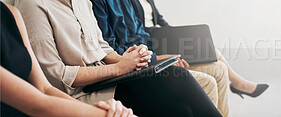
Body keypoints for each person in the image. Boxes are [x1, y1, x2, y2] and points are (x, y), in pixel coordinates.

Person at [14, 0, 222, 116]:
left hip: (110, 80)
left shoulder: (81, 1)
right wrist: (119, 68)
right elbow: (55, 76)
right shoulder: (33, 5)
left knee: (181, 111)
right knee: (175, 76)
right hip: (82, 93)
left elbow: (101, 47)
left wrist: (126, 59)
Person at [90, 0, 230, 116]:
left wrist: (169, 40)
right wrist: (158, 57)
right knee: (207, 82)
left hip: (150, 53)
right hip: (137, 65)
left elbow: (142, 33)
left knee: (219, 69)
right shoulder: (97, 3)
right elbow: (111, 49)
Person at [0, 2, 135, 117]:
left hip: (73, 99)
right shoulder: (31, 5)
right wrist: (101, 113)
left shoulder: (13, 14)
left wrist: (103, 110)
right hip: (72, 95)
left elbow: (44, 89)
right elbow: (39, 104)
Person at [132, 0, 269, 99]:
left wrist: (175, 33)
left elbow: (160, 20)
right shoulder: (126, 3)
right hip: (153, 45)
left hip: (163, 38)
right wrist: (155, 30)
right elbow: (134, 30)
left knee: (206, 46)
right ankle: (238, 83)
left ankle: (238, 83)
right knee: (208, 49)